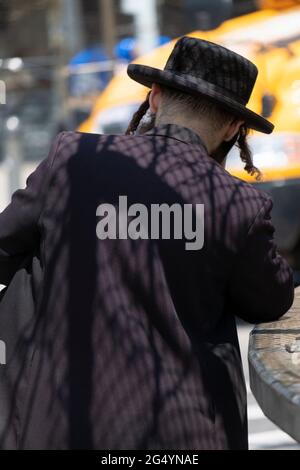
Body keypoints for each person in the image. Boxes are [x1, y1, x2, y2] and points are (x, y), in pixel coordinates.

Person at [0, 37, 294, 450]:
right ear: (233, 127)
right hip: (185, 436)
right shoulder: (237, 203)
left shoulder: (73, 158)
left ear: (154, 98)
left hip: (57, 425)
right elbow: (271, 299)